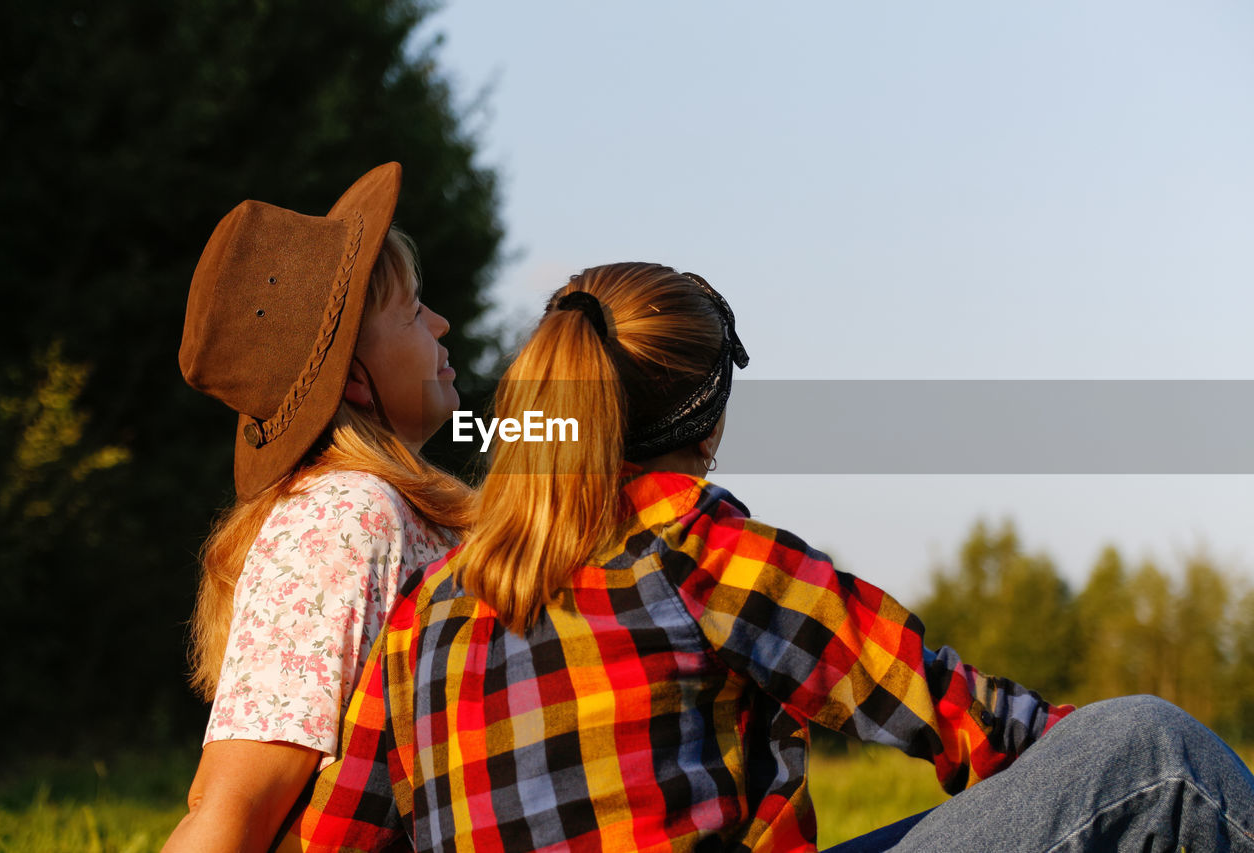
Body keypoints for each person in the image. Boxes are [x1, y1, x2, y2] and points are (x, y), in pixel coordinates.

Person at [277, 262, 1254, 852]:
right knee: (1153, 751)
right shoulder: (694, 544)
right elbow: (956, 716)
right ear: (702, 425)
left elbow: (332, 842)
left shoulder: (419, 615)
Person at [163, 163, 473, 852]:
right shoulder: (341, 516)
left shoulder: (390, 507)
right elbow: (231, 805)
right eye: (413, 309)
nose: (441, 322)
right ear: (355, 379)